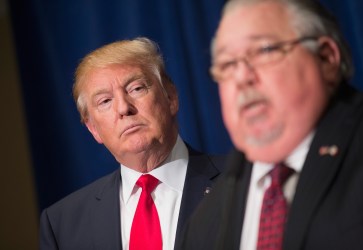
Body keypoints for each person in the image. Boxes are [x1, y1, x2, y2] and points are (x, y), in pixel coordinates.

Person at [179, 0, 363, 249]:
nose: (242, 78)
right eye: (228, 64)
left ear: (327, 58)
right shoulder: (204, 221)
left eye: (264, 50)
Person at [39, 37, 225, 250]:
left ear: (170, 97)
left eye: (136, 88)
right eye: (105, 101)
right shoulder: (61, 225)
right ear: (93, 129)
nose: (123, 108)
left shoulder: (240, 181)